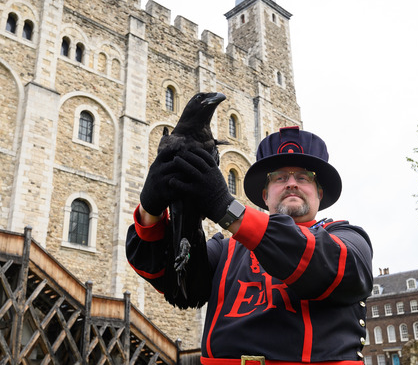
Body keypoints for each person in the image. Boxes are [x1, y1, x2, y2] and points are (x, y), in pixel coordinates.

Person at [127, 126, 373, 365]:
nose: (291, 183)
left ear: (320, 193)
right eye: (280, 177)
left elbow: (332, 265)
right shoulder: (226, 249)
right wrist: (153, 208)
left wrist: (227, 209)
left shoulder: (347, 237)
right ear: (265, 195)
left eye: (303, 177)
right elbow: (177, 282)